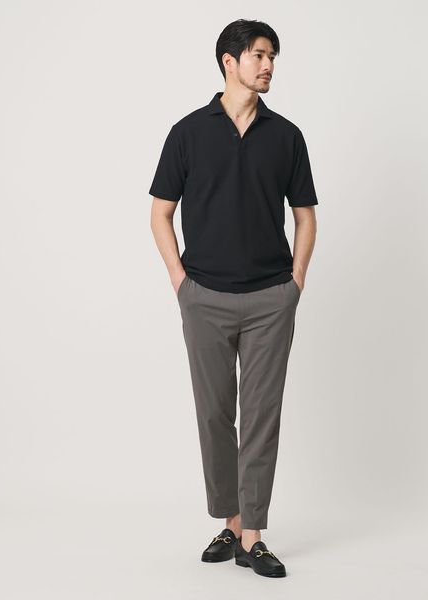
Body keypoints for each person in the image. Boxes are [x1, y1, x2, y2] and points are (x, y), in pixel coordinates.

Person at [148, 19, 318, 578]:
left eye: (273, 57)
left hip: (271, 297)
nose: (269, 66)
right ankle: (230, 520)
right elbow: (160, 213)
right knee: (215, 414)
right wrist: (181, 283)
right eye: (260, 55)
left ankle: (254, 536)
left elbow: (305, 216)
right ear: (230, 61)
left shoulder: (286, 136)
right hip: (204, 296)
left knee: (262, 416)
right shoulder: (187, 133)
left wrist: (295, 282)